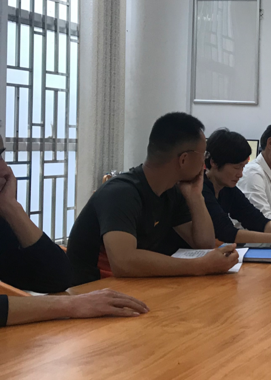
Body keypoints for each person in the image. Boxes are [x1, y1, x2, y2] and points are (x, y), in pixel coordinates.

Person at [67, 112, 239, 285]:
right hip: (91, 288)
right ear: (184, 159)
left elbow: (204, 245)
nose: (204, 164)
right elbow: (123, 262)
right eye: (203, 155)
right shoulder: (121, 193)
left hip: (133, 286)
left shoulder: (172, 191)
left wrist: (196, 196)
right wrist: (200, 266)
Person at [0, 135, 148, 325]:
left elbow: (57, 278)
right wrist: (71, 305)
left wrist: (11, 208)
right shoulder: (122, 191)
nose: (5, 170)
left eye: (2, 155)